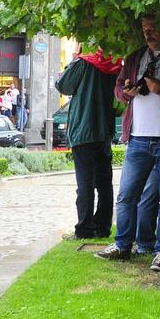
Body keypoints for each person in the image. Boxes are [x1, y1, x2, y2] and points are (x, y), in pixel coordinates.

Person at [97, 15, 160, 272]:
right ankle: (123, 244)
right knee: (127, 195)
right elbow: (118, 87)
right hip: (137, 137)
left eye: (153, 29)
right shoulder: (136, 56)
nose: (148, 34)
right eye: (145, 29)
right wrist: (124, 92)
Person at [56, 48, 122, 241]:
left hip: (83, 132)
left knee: (84, 183)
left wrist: (75, 59)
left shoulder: (83, 63)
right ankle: (102, 227)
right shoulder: (114, 65)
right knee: (104, 183)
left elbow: (63, 86)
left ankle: (84, 228)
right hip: (104, 131)